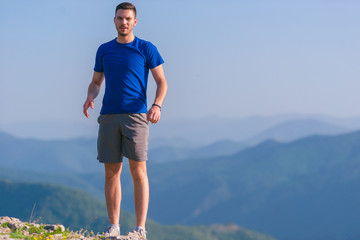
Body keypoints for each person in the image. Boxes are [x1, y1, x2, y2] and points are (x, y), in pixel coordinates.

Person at [83, 2, 167, 239]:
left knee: (139, 171)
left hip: (137, 116)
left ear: (135, 21)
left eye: (128, 19)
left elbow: (162, 82)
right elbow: (96, 82)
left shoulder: (146, 48)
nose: (124, 22)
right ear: (114, 20)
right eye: (120, 18)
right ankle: (114, 226)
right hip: (109, 116)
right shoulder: (104, 49)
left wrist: (157, 105)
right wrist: (90, 96)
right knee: (111, 172)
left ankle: (140, 229)